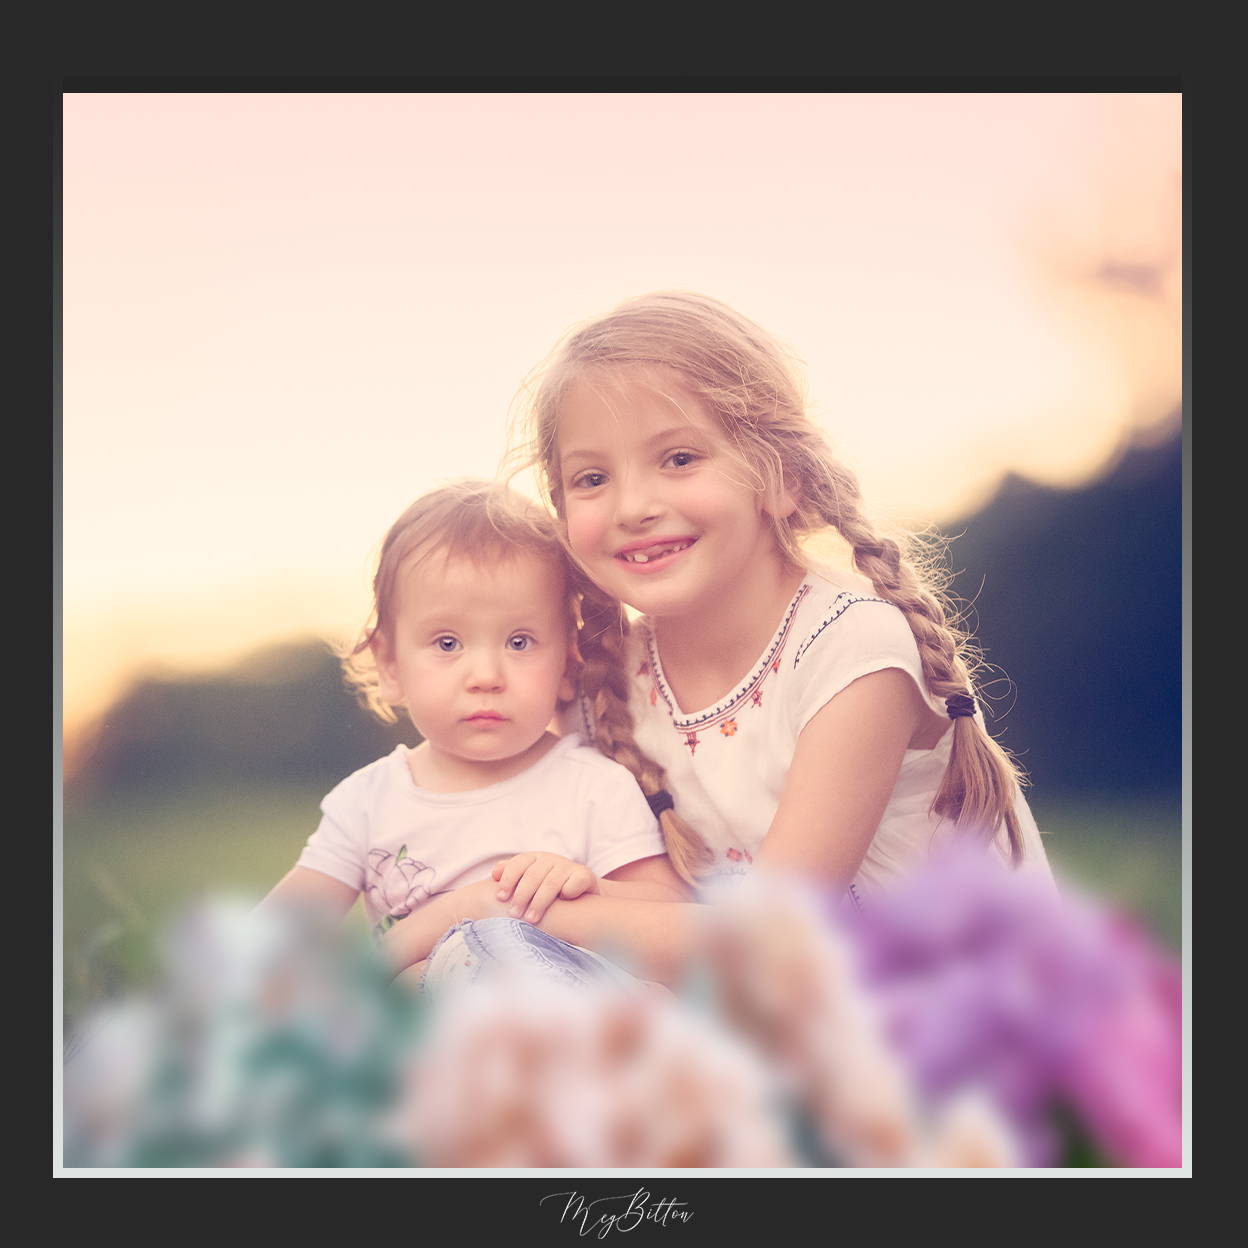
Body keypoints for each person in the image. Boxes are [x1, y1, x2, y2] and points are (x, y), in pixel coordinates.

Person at [459, 290, 1056, 985]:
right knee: (473, 969)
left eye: (679, 459)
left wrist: (498, 909)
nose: (633, 507)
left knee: (493, 950)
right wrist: (521, 902)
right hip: (774, 1019)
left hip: (947, 1026)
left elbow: (769, 939)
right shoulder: (610, 680)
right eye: (592, 478)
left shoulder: (853, 651)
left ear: (784, 479)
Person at [259, 480, 690, 987]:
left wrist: (592, 887)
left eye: (519, 641)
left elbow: (672, 916)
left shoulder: (593, 787)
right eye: (447, 642)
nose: (485, 674)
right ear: (390, 663)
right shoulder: (367, 804)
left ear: (568, 665)